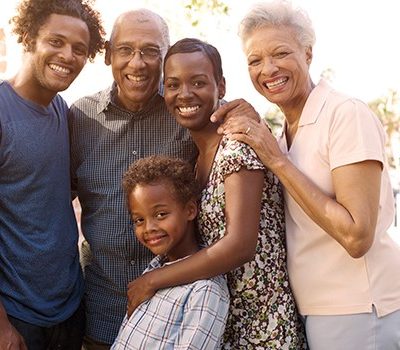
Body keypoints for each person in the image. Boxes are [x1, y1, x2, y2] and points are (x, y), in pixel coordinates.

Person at [213, 1, 400, 349]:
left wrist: (277, 161)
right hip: (316, 310)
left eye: (280, 53)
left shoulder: (345, 114)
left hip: (358, 309)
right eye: (255, 60)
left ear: (308, 54)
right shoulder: (283, 133)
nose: (268, 69)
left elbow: (357, 236)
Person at [125, 37, 306, 349]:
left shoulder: (237, 146)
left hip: (264, 331)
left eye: (198, 82)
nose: (184, 94)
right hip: (223, 327)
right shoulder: (196, 160)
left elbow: (240, 246)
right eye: (173, 84)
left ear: (220, 86)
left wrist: (150, 281)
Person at [68, 9, 198, 348]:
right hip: (102, 312)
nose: (137, 63)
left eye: (151, 51)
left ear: (166, 57)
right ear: (109, 54)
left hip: (178, 315)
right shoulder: (79, 117)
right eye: (125, 50)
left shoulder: (188, 113)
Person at [0, 0, 104, 349]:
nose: (68, 55)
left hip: (69, 307)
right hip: (16, 314)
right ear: (29, 38)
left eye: (79, 48)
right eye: (56, 41)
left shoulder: (64, 112)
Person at [111, 155, 229, 349]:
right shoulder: (153, 269)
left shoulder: (205, 291)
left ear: (190, 210)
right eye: (139, 220)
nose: (149, 227)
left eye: (161, 214)